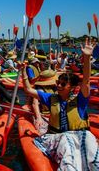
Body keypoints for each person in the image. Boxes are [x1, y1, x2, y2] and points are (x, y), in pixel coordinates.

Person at [21, 38, 98, 170]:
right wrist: (22, 71)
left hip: (80, 136)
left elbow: (85, 81)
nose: (59, 85)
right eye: (58, 83)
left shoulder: (80, 100)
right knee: (66, 143)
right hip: (58, 137)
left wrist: (87, 58)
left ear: (72, 87)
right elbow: (28, 90)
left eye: (63, 84)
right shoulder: (50, 98)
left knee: (89, 140)